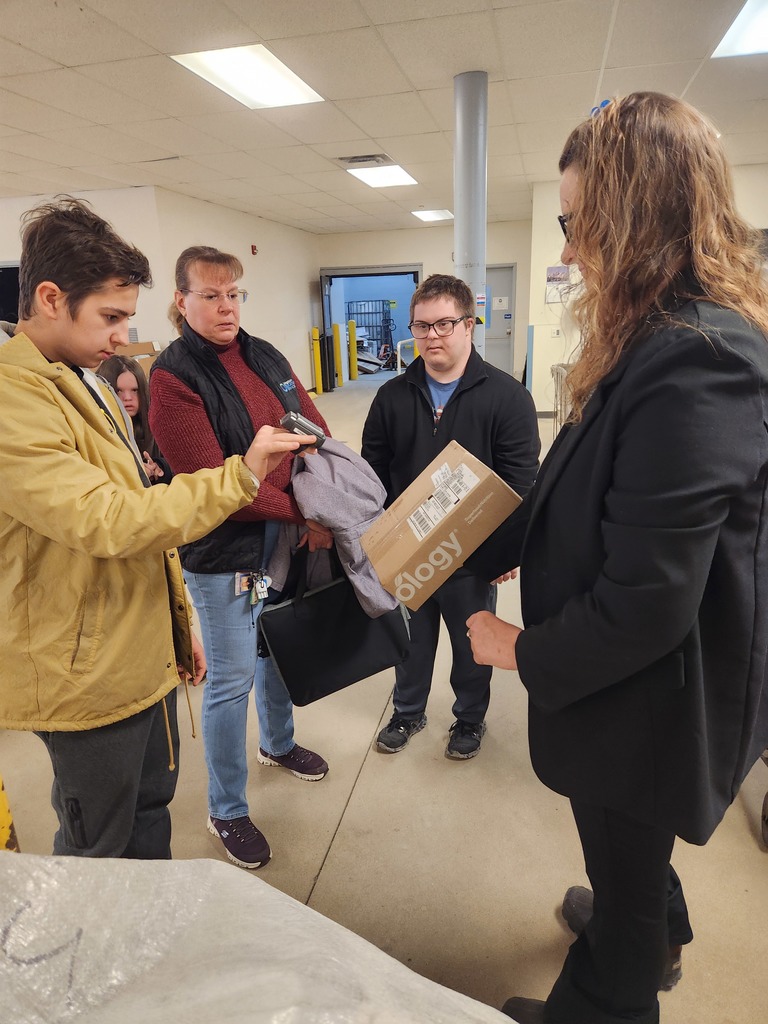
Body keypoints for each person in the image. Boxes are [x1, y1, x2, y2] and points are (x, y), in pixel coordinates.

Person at [464, 92, 768, 1024]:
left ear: (638, 215)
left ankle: (614, 989)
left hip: (644, 696)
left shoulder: (698, 355)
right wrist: (516, 538)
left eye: (576, 223)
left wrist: (518, 648)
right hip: (630, 687)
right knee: (629, 853)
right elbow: (607, 489)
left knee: (624, 863)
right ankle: (653, 921)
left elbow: (648, 601)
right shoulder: (653, 333)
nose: (568, 251)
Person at [0, 197, 319, 861]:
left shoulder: (84, 379)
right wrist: (246, 474)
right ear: (51, 299)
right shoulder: (15, 398)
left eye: (127, 318)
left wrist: (174, 630)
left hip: (134, 648)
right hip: (84, 672)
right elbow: (110, 519)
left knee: (148, 816)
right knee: (101, 847)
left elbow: (138, 501)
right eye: (110, 317)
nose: (123, 338)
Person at [149, 245, 332, 870]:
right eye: (211, 295)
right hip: (226, 553)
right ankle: (226, 808)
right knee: (231, 682)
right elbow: (219, 488)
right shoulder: (172, 379)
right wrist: (305, 510)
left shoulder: (264, 353)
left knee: (276, 649)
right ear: (182, 301)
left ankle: (277, 744)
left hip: (282, 537)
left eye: (234, 294)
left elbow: (313, 425)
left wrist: (313, 499)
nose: (226, 307)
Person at [361, 274, 539, 760]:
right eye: (421, 326)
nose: (432, 336)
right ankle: (407, 711)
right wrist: (382, 543)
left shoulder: (508, 397)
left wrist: (504, 552)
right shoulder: (392, 396)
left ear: (469, 325)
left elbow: (521, 483)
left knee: (472, 644)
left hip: (472, 555)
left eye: (444, 324)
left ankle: (470, 719)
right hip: (410, 550)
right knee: (410, 643)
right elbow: (373, 471)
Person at [99, 353, 169, 481]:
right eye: (118, 391)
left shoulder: (159, 423)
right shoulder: (96, 431)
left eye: (134, 390)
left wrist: (159, 467)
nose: (127, 398)